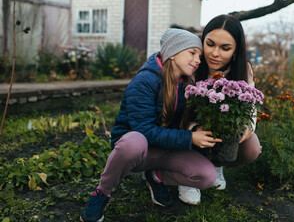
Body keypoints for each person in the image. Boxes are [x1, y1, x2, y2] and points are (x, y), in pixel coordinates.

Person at [80, 28, 223, 222]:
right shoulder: (144, 81)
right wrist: (189, 138)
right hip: (139, 150)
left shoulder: (187, 84)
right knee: (134, 141)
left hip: (165, 150)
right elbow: (144, 131)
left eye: (199, 55)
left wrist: (197, 127)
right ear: (172, 54)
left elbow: (186, 121)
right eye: (192, 53)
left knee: (206, 176)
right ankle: (101, 193)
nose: (198, 59)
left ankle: (156, 175)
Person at [178, 14, 262, 205]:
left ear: (236, 51)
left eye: (225, 48)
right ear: (202, 41)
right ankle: (187, 172)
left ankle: (217, 164)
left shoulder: (243, 70)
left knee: (252, 147)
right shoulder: (191, 64)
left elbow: (250, 107)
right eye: (210, 44)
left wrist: (249, 125)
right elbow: (175, 109)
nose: (215, 53)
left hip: (224, 128)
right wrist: (191, 129)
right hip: (187, 129)